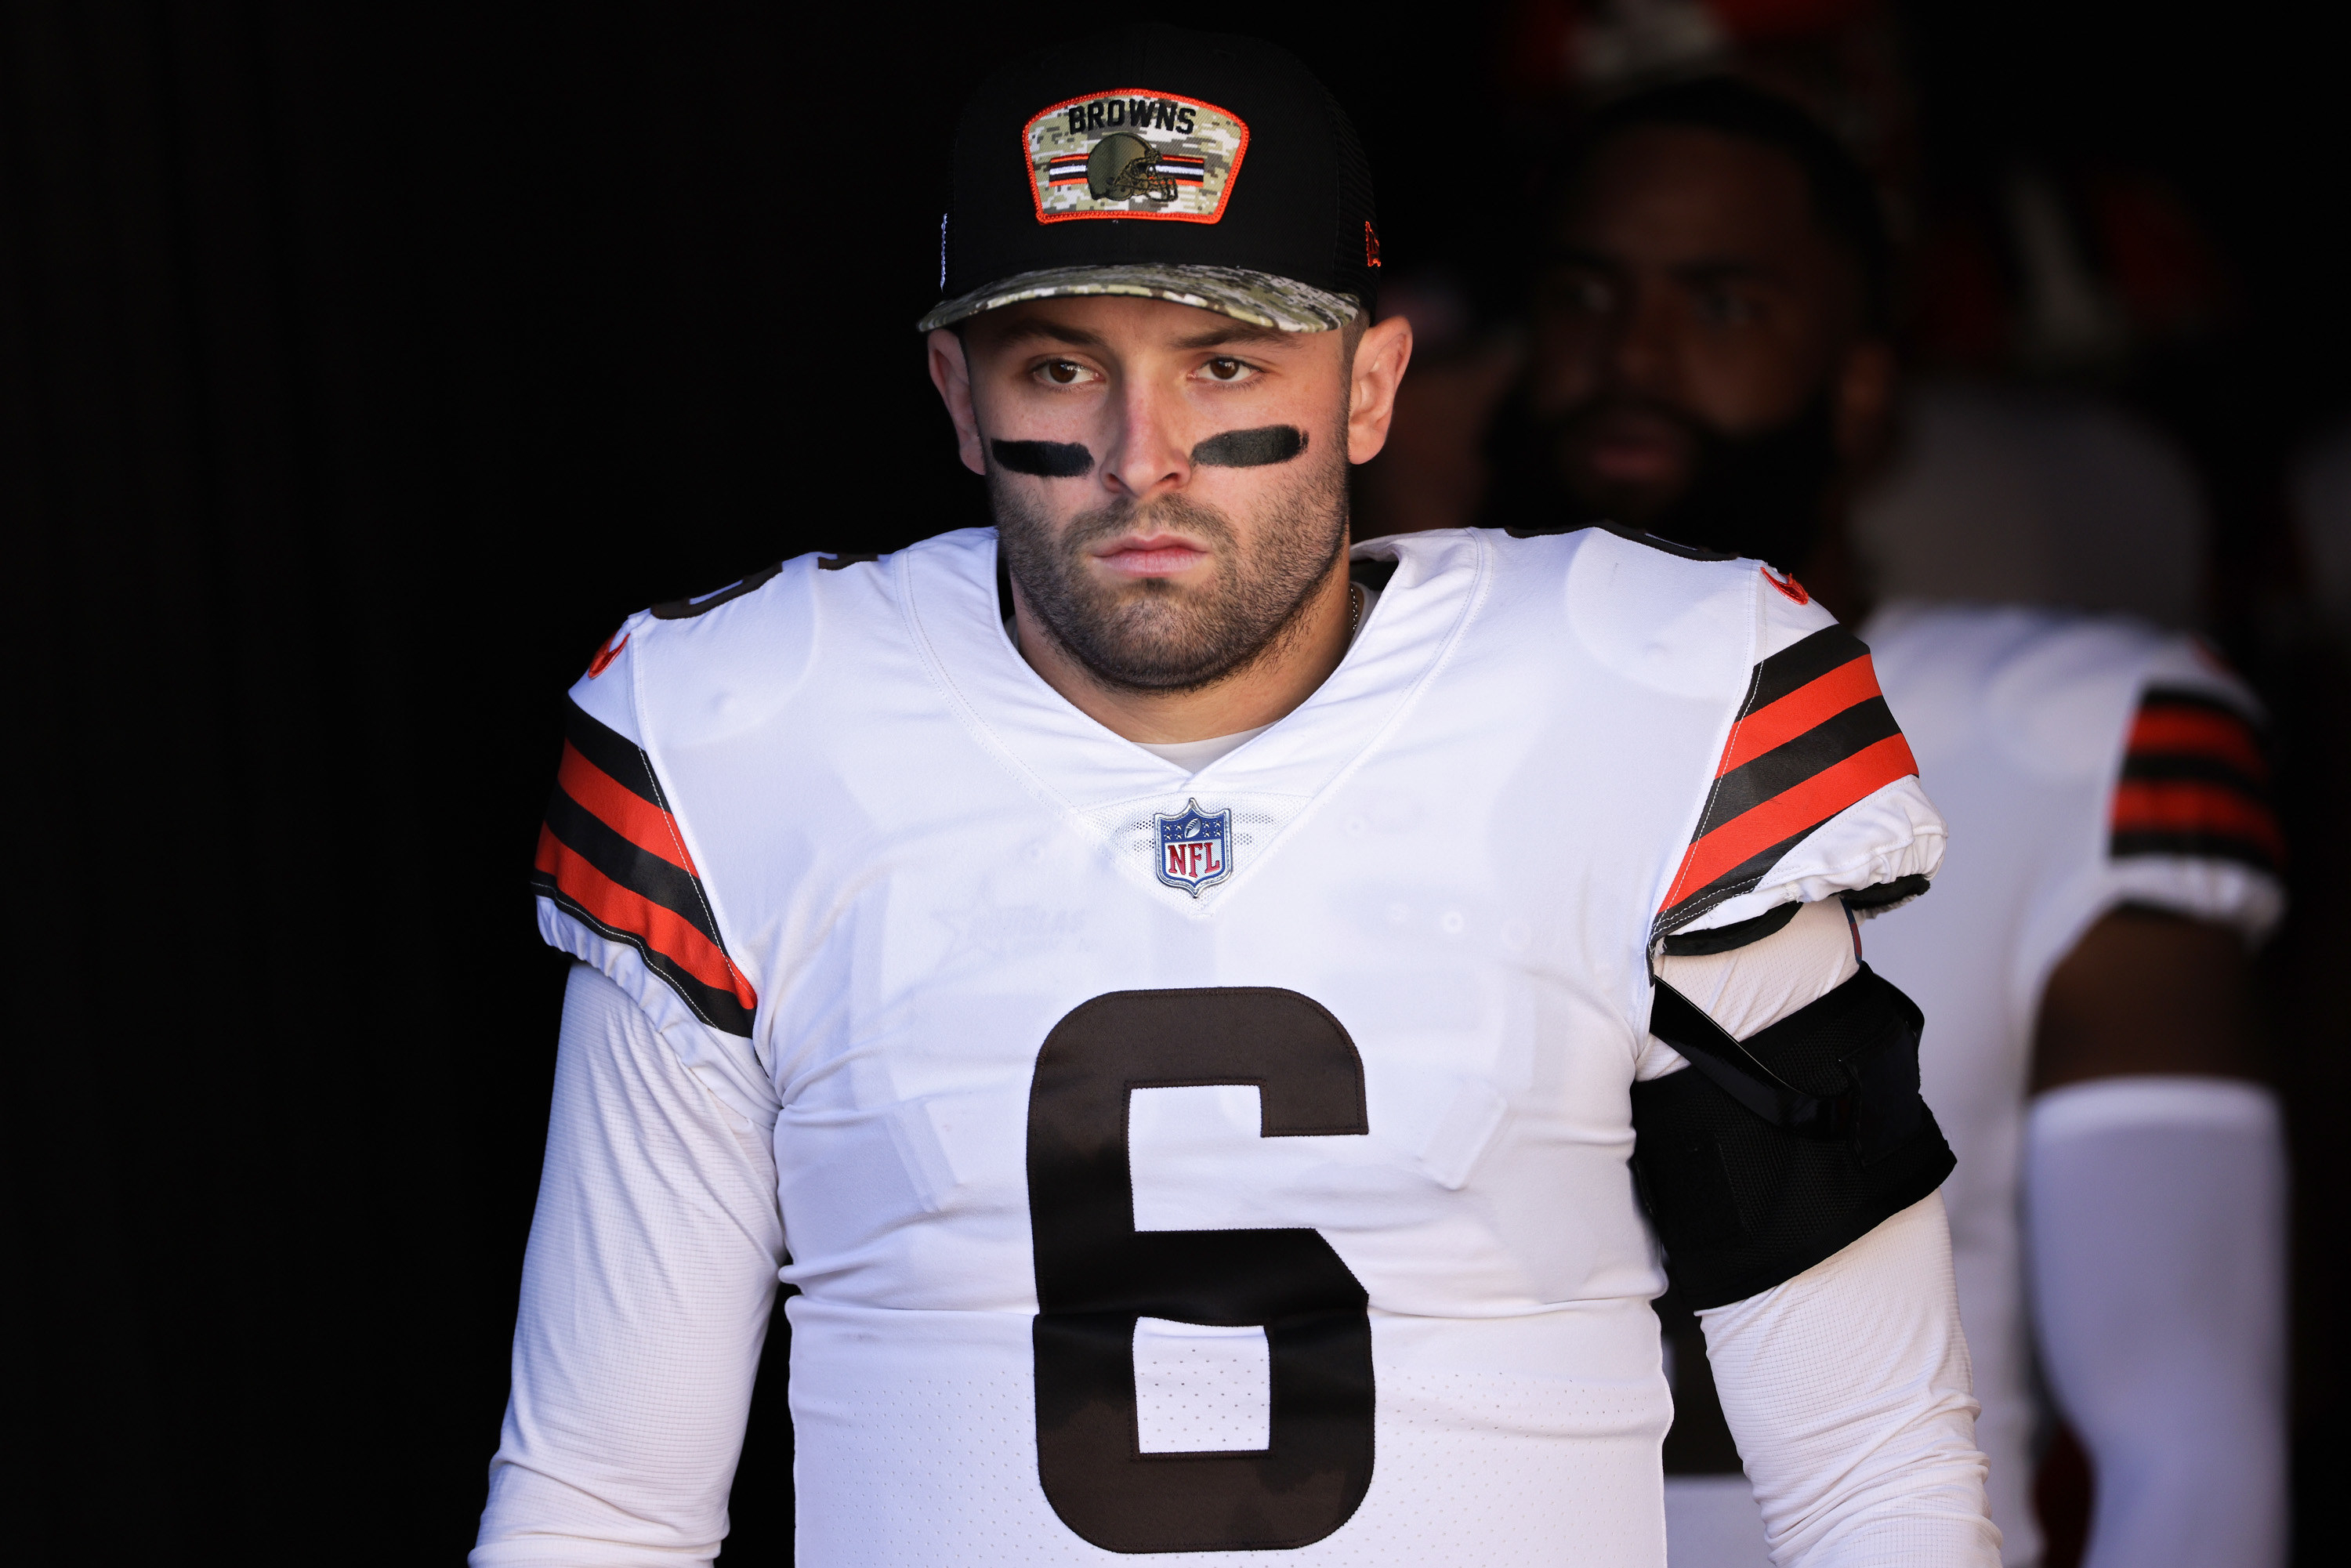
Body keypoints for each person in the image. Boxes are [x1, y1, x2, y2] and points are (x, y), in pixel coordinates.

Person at [472, 29, 1999, 1566]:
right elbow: (604, 1496)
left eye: (1226, 361)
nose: (1148, 459)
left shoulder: (1657, 700)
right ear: (954, 392)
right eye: (1061, 364)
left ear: (1370, 386)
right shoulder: (745, 735)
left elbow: (1870, 1456)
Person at [1482, 78, 2287, 1568]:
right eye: (1586, 295)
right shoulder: (1365, 734)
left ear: (1863, 385)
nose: (1631, 358)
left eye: (1720, 305)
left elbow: (2184, 1424)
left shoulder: (2075, 729)